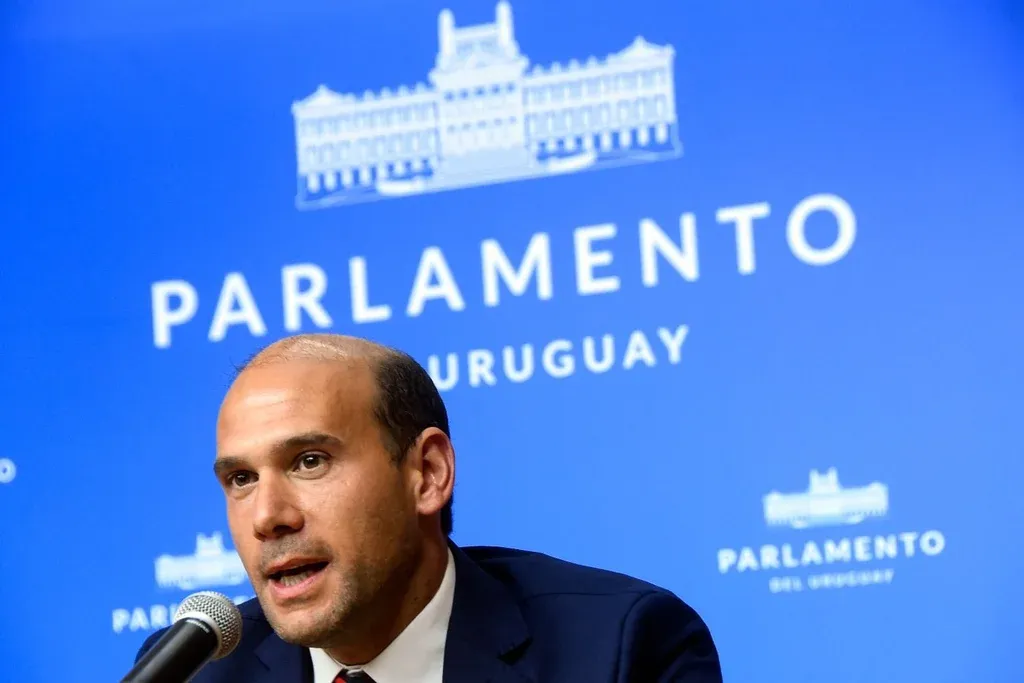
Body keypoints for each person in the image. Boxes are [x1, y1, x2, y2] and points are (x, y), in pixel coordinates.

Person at [135, 333, 722, 682]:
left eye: (310, 462)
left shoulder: (618, 649)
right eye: (241, 479)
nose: (268, 517)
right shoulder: (196, 672)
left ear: (428, 474)